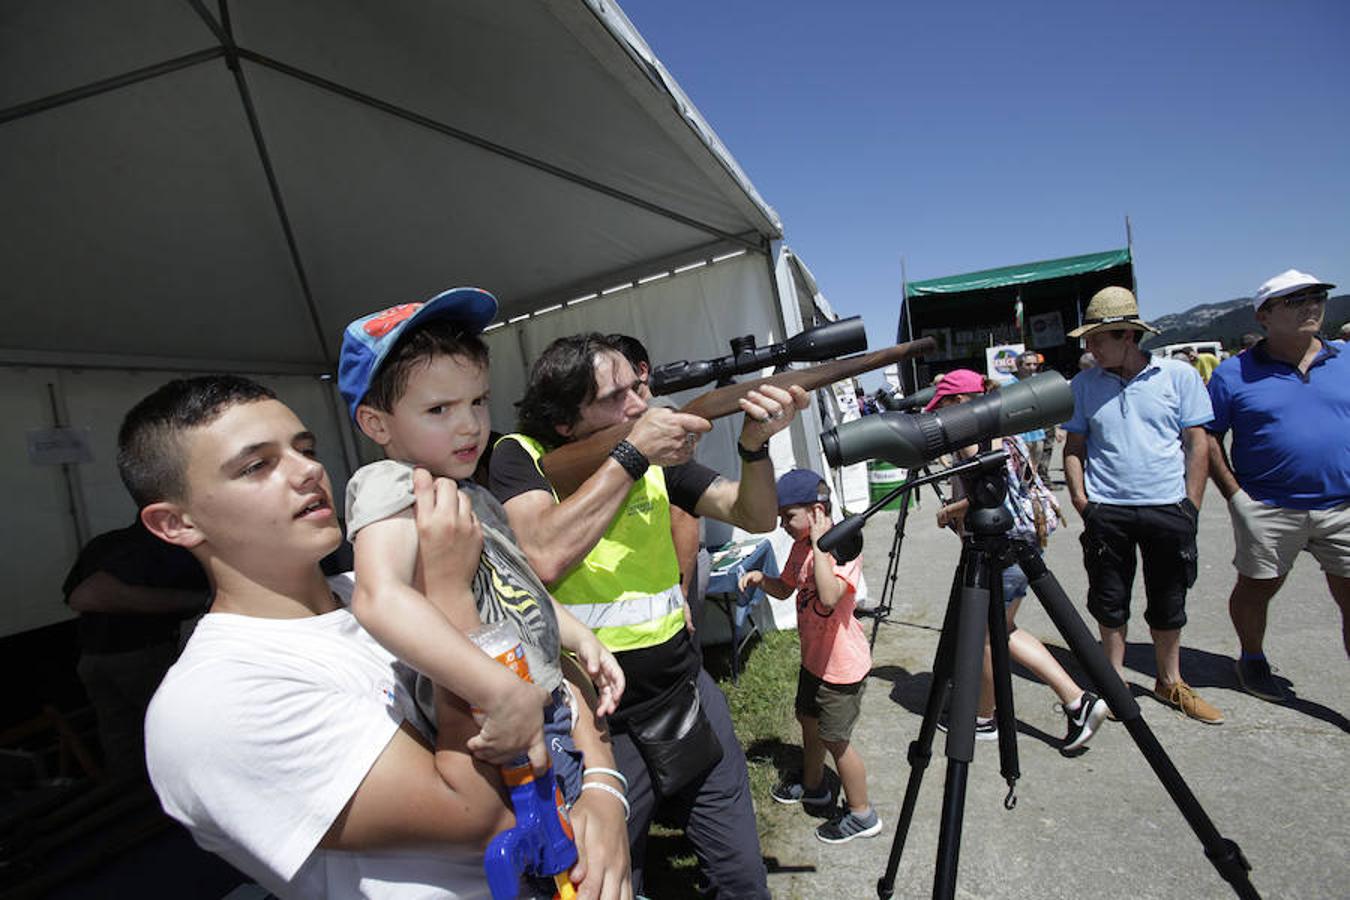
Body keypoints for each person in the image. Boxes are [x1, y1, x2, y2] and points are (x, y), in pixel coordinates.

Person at [126, 376, 616, 897]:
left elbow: (549, 667)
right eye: (256, 466)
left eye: (305, 448)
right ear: (175, 523)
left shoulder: (385, 591)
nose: (309, 470)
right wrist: (451, 599)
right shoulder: (214, 701)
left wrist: (605, 797)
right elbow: (483, 818)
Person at [490, 332, 808, 899]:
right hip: (597, 723)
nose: (639, 405)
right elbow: (542, 554)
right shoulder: (520, 456)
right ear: (565, 421)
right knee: (610, 883)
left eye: (639, 388)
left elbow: (754, 514)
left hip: (685, 691)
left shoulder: (655, 451)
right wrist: (631, 456)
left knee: (740, 878)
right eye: (616, 398)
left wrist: (755, 446)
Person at [337, 290, 632, 895]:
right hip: (497, 727)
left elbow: (516, 580)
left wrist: (578, 636)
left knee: (594, 870)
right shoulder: (392, 486)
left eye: (477, 401)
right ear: (376, 424)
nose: (470, 423)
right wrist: (495, 690)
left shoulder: (474, 490)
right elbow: (378, 598)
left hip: (545, 711)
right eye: (439, 409)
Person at [1062, 286, 1223, 724]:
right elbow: (1074, 445)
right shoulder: (1083, 384)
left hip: (1167, 507)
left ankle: (1170, 681)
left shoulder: (1178, 376)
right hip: (1107, 509)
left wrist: (1190, 504)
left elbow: (1197, 443)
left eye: (1097, 339)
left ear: (1127, 336)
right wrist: (1081, 500)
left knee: (1169, 598)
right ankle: (1113, 681)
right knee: (1108, 600)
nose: (1089, 348)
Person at [926, 371, 1108, 752]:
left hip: (1001, 544)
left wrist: (950, 511)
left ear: (958, 403)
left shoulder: (973, 438)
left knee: (990, 635)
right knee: (1003, 629)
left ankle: (991, 716)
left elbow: (993, 493)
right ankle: (1074, 701)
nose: (940, 417)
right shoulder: (1002, 426)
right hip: (1026, 539)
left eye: (943, 407)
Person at [1205, 269, 1350, 701]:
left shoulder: (1345, 359)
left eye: (1317, 296)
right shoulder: (1233, 375)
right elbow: (1207, 435)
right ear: (1264, 315)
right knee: (1257, 588)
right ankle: (1252, 657)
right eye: (1296, 300)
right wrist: (1235, 495)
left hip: (1343, 505)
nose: (1312, 305)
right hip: (1269, 505)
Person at [737, 470, 881, 843]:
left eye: (788, 516)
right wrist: (759, 579)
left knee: (837, 740)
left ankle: (862, 813)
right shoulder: (802, 544)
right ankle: (814, 785)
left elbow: (830, 597)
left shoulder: (842, 544)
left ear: (816, 512)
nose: (783, 525)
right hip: (814, 661)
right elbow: (787, 588)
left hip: (841, 667)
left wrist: (819, 545)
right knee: (807, 720)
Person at [62, 519, 209, 782]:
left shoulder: (103, 543)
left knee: (120, 737)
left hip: (93, 658)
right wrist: (198, 600)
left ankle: (130, 801)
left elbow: (72, 596)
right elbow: (86, 595)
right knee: (176, 731)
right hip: (141, 653)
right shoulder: (159, 547)